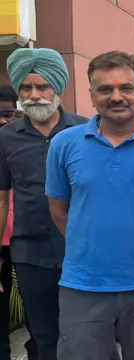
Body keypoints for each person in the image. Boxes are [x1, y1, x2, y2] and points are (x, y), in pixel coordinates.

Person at [45, 50, 134, 360]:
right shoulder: (64, 145)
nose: (116, 96)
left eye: (126, 88)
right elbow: (58, 210)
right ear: (91, 95)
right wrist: (91, 248)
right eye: (105, 89)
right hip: (83, 286)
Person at [0, 48, 88, 360]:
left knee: (85, 335)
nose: (34, 95)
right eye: (26, 87)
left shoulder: (86, 130)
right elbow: (2, 198)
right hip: (30, 256)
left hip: (81, 252)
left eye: (43, 86)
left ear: (58, 86)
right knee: (43, 338)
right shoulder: (6, 137)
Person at [0, 84, 38, 360]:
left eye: (9, 113)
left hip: (27, 241)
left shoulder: (19, 142)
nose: (3, 120)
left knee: (37, 312)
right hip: (2, 246)